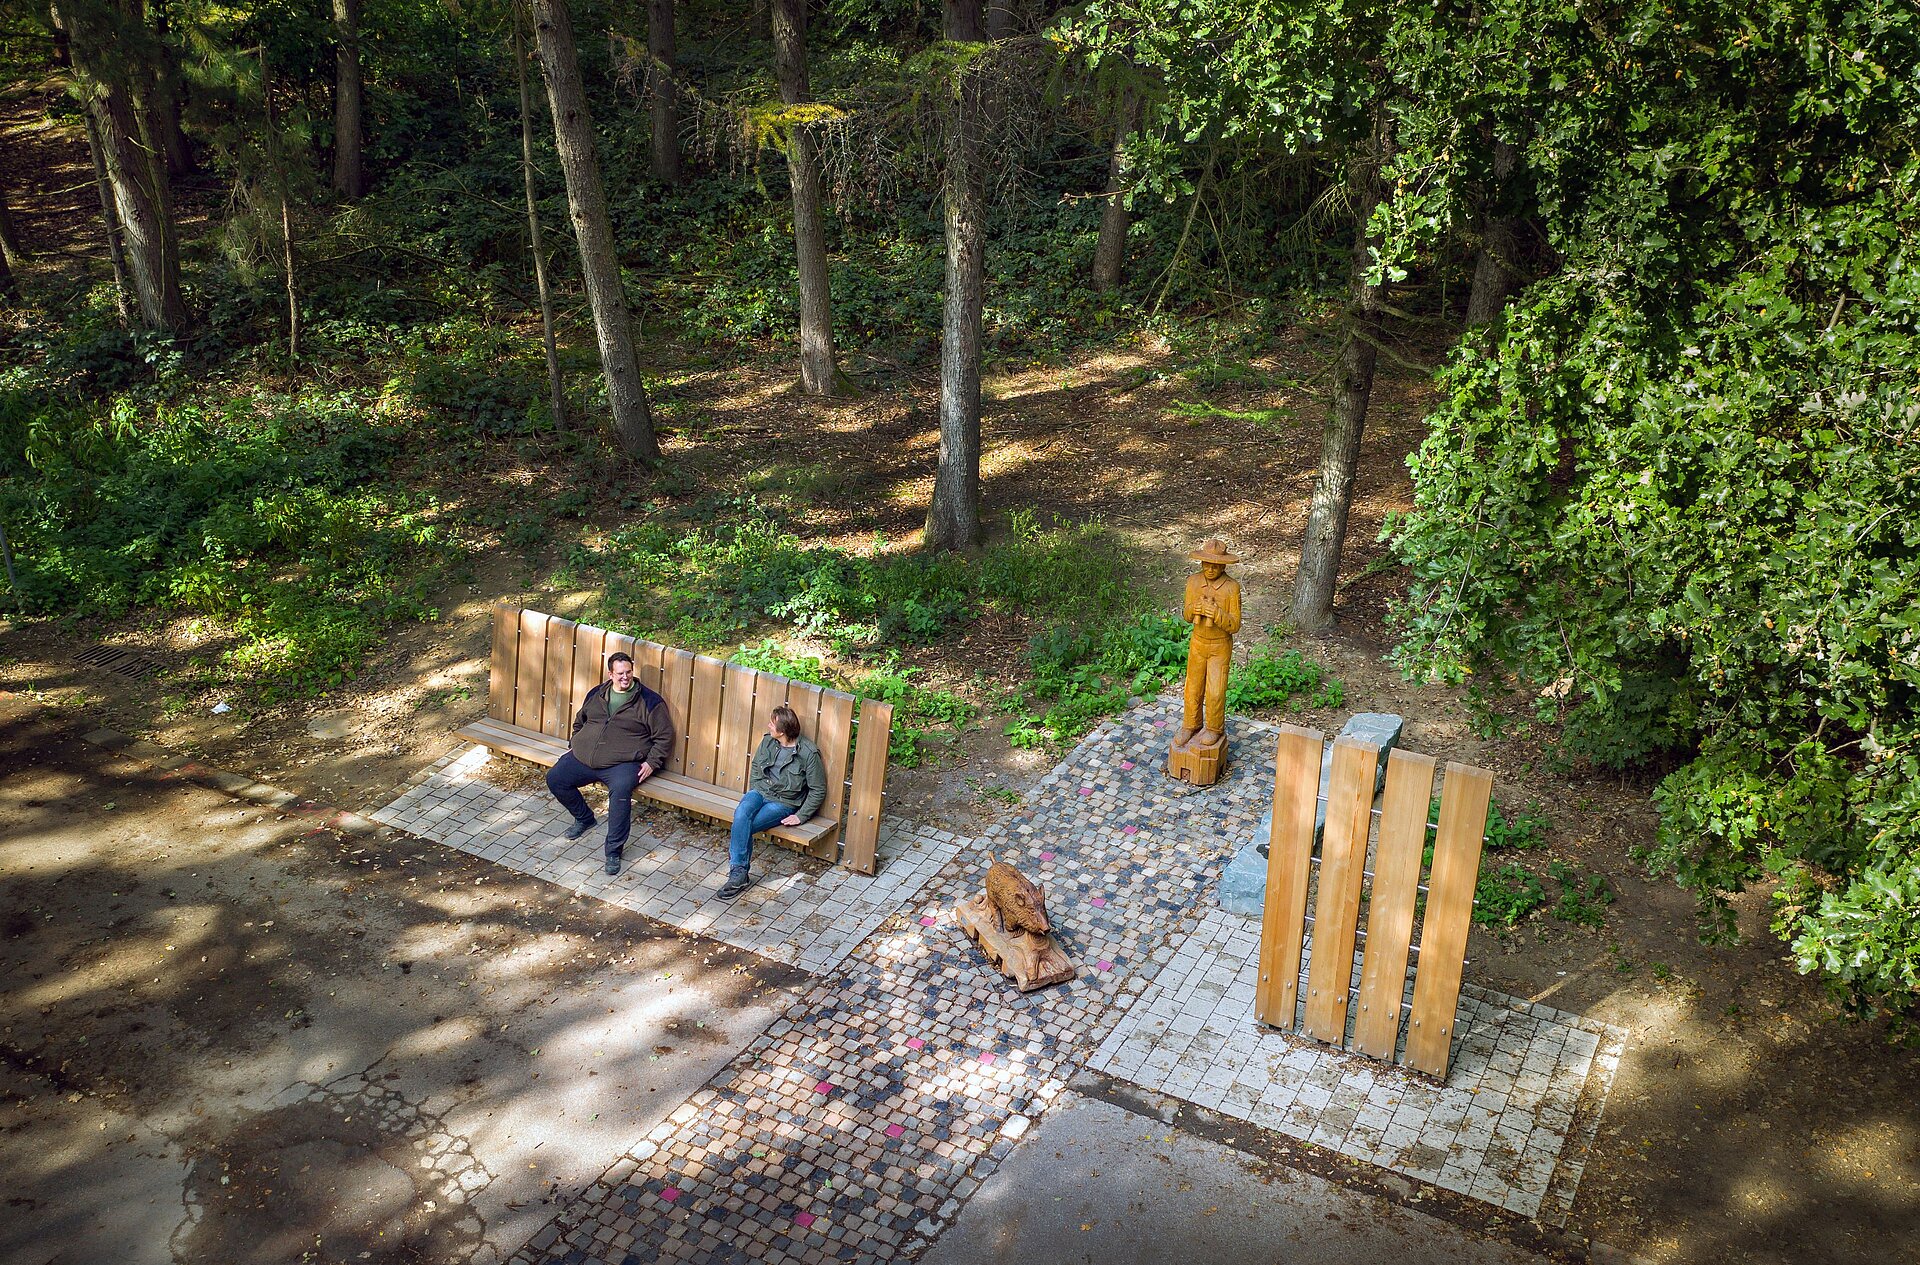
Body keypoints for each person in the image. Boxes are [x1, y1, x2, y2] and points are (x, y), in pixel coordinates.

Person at [546, 652, 675, 875]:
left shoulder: (650, 702)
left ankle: (613, 851)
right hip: (585, 757)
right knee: (555, 778)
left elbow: (664, 736)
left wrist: (652, 763)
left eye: (628, 673)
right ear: (610, 674)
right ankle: (584, 818)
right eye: (620, 674)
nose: (625, 678)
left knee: (620, 794)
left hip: (623, 763)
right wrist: (575, 742)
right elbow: (580, 720)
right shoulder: (598, 693)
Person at [719, 703, 827, 900]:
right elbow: (756, 767)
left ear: (783, 731)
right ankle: (739, 872)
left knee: (743, 824)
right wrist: (755, 788)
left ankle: (738, 875)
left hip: (784, 801)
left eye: (772, 723)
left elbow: (817, 789)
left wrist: (801, 816)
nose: (769, 725)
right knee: (742, 813)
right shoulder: (768, 741)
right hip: (760, 791)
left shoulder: (808, 754)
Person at [1176, 538, 1242, 749]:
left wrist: (1217, 614)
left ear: (1223, 565)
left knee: (1215, 689)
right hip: (1198, 642)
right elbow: (1186, 615)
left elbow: (1235, 625)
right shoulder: (1193, 582)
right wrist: (1194, 608)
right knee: (1193, 687)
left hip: (1219, 646)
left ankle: (1214, 727)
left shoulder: (1231, 588)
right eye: (1207, 564)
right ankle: (1191, 724)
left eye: (1215, 565)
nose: (1210, 569)